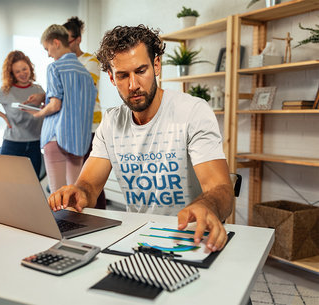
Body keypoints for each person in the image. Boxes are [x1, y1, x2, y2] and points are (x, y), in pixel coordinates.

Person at [48, 25, 234, 252]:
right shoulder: (111, 122)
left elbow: (222, 189)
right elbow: (89, 186)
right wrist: (78, 192)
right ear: (111, 77)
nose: (133, 85)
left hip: (190, 237)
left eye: (141, 71)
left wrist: (208, 204)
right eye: (123, 75)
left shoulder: (192, 112)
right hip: (138, 237)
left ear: (156, 66)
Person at [24, 24, 96, 193]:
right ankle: (74, 221)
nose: (48, 54)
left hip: (56, 137)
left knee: (57, 195)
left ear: (56, 42)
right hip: (79, 140)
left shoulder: (54, 67)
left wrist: (38, 113)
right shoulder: (85, 74)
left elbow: (56, 105)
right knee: (75, 195)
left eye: (47, 48)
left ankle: (60, 221)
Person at [63, 16, 107, 209]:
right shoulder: (63, 63)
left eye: (69, 40)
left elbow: (82, 90)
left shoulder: (90, 61)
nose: (66, 44)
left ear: (78, 39)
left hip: (90, 126)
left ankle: (101, 214)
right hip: (71, 128)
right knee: (77, 178)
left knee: (92, 179)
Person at [0, 50, 45, 175]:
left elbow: (47, 108)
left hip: (34, 144)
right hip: (12, 144)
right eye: (17, 71)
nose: (22, 73)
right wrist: (4, 116)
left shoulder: (38, 89)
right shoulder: (6, 90)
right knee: (7, 183)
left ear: (30, 68)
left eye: (24, 69)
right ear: (12, 74)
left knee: (32, 185)